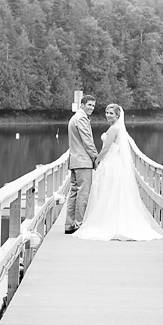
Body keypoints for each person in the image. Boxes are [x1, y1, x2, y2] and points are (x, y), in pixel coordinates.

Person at [73, 103, 163, 241]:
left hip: (110, 163)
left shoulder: (114, 129)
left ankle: (109, 222)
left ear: (117, 115)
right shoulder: (116, 128)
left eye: (111, 113)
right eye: (107, 112)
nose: (108, 115)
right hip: (112, 162)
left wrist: (97, 161)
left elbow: (106, 148)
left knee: (108, 192)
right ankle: (109, 218)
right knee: (109, 192)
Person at [64, 95, 99, 235]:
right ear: (82, 104)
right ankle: (80, 225)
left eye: (93, 106)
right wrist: (96, 158)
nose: (91, 108)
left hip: (75, 161)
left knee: (74, 193)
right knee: (83, 194)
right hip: (83, 162)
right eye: (89, 105)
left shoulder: (74, 118)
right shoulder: (82, 118)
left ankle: (69, 224)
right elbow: (87, 141)